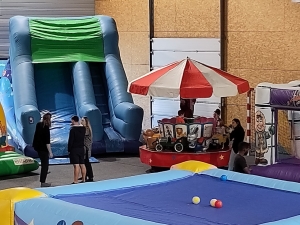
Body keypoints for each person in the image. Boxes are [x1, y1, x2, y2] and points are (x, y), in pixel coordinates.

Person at [32, 112, 53, 187]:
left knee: (44, 164)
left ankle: (43, 180)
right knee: (45, 165)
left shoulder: (38, 125)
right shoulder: (46, 127)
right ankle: (43, 182)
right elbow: (47, 141)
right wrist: (50, 152)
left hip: (38, 148)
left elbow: (36, 136)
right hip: (43, 149)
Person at [68, 115, 86, 184]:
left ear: (73, 120)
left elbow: (71, 141)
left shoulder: (72, 130)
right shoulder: (83, 129)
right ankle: (84, 179)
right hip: (81, 148)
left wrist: (69, 149)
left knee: (76, 165)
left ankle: (75, 180)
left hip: (74, 149)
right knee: (82, 164)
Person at [79, 116, 94, 182]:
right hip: (84, 148)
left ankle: (90, 176)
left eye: (82, 120)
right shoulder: (84, 128)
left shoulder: (86, 129)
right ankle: (85, 175)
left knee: (86, 163)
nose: (81, 121)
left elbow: (81, 135)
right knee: (85, 162)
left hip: (86, 148)